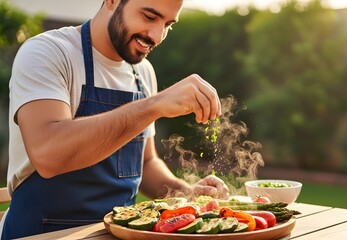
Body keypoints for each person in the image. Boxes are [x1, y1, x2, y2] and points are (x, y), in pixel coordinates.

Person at [1, 0, 230, 238]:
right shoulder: (48, 52)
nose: (158, 36)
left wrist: (188, 192)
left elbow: (146, 163)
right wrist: (152, 106)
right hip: (43, 232)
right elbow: (47, 154)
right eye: (149, 17)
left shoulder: (143, 72)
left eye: (168, 24)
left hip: (118, 233)